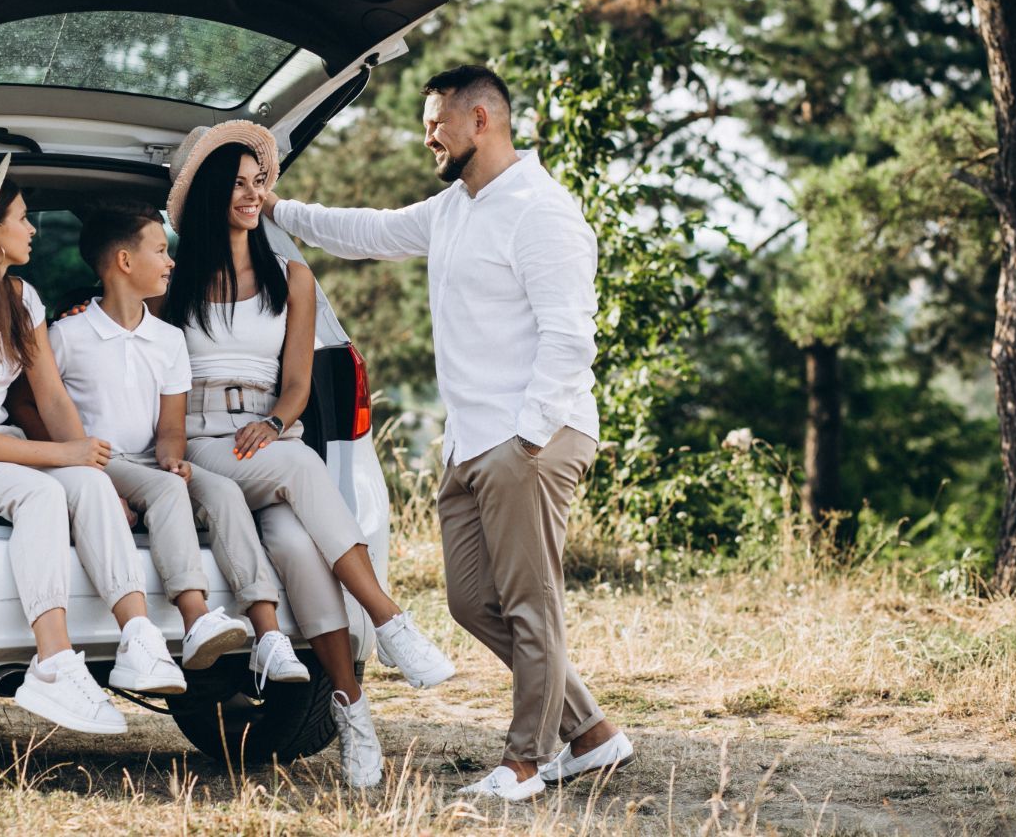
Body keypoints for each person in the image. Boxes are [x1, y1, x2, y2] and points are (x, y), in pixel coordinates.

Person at [262, 66, 633, 801]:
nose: (427, 135)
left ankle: (524, 762)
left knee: (532, 604)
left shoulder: (541, 212)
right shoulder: (456, 207)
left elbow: (570, 340)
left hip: (530, 440)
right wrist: (278, 208)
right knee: (471, 602)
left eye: (437, 122)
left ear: (482, 121)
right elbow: (367, 231)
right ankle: (591, 734)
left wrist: (525, 441)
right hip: (472, 442)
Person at [163, 120, 457, 790]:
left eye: (258, 183)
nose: (252, 194)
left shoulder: (291, 277)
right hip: (207, 446)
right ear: (212, 194)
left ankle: (353, 715)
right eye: (238, 185)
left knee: (298, 548)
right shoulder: (173, 281)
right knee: (301, 467)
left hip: (268, 434)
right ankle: (390, 620)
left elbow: (297, 387)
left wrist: (273, 419)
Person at [0, 156, 185, 738]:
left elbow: (54, 401)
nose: (32, 229)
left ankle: (138, 636)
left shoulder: (23, 299)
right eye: (22, 218)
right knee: (42, 495)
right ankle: (54, 664)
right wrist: (63, 455)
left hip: (5, 448)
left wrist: (92, 468)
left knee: (87, 483)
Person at [36, 201, 311, 684]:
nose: (171, 262)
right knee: (166, 491)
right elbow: (27, 403)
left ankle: (268, 635)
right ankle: (194, 615)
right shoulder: (68, 335)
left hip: (149, 461)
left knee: (221, 491)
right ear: (124, 262)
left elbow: (171, 427)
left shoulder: (168, 339)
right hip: (99, 461)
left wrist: (172, 458)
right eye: (161, 251)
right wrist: (72, 459)